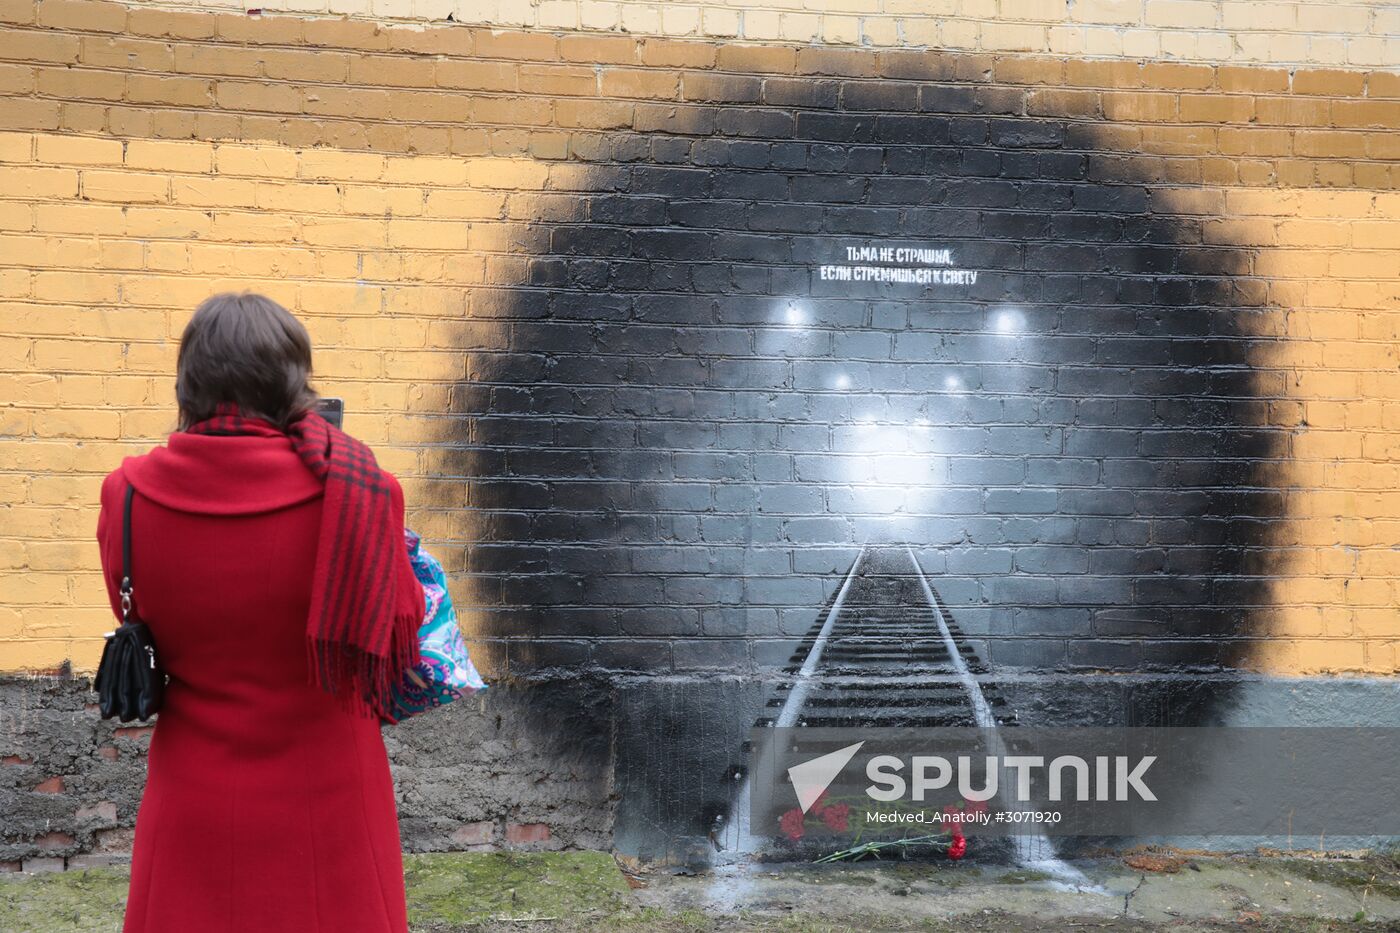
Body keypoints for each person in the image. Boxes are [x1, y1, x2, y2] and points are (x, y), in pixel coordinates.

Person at [94, 292, 423, 932]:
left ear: (189, 385)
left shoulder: (127, 495)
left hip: (195, 788)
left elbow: (132, 606)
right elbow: (396, 623)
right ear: (293, 384)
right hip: (331, 787)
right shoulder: (361, 493)